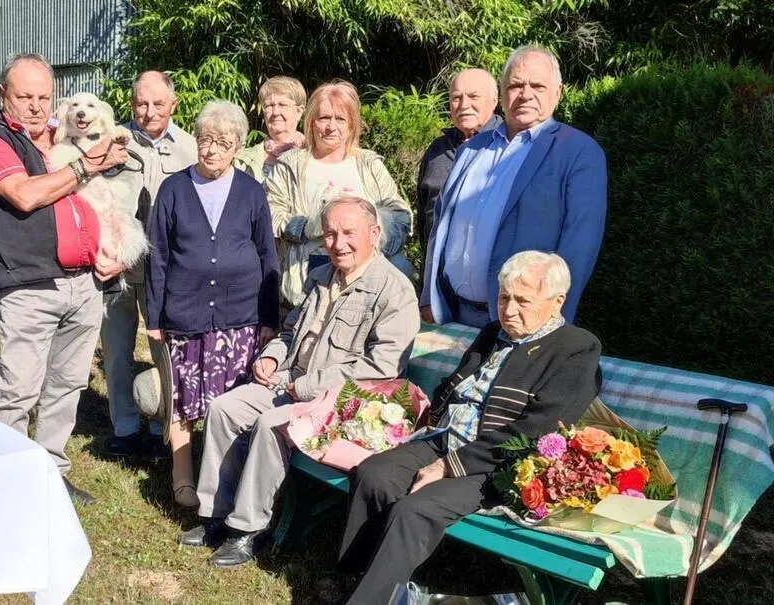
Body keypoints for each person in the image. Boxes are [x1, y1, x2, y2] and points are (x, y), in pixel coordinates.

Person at [339, 251, 603, 604]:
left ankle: (368, 600)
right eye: (504, 297)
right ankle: (362, 578)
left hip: (496, 466)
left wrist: (449, 466)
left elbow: (535, 432)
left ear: (558, 301)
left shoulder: (576, 349)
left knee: (413, 510)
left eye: (522, 301)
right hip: (443, 439)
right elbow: (456, 386)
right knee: (374, 474)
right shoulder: (494, 333)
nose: (508, 310)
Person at [179, 196, 421, 568]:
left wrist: (307, 387)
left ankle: (248, 529)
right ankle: (218, 515)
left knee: (271, 425)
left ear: (374, 234)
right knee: (224, 409)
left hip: (343, 404)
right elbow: (291, 332)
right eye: (330, 233)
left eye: (349, 233)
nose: (338, 243)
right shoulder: (321, 276)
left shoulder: (394, 291)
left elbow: (382, 368)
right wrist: (272, 356)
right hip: (291, 383)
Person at [0, 53, 129, 504]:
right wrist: (85, 165)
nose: (36, 106)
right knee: (19, 388)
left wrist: (114, 250)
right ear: (3, 95)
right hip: (31, 284)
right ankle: (7, 479)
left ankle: (51, 469)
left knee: (68, 384)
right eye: (25, 97)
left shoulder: (63, 135)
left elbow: (108, 196)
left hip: (86, 282)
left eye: (44, 97)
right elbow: (23, 195)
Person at [146, 100, 280, 509]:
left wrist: (269, 317)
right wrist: (154, 316)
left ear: (237, 147)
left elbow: (267, 255)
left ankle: (225, 477)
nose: (211, 150)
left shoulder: (251, 191)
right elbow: (158, 255)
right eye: (205, 140)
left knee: (232, 401)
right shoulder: (174, 188)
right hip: (185, 312)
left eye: (223, 142)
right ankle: (183, 477)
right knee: (183, 399)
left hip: (240, 315)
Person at [421, 46, 608, 329]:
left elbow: (579, 247)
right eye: (516, 85)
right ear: (503, 93)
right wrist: (429, 297)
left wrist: (551, 323)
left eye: (537, 86)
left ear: (558, 92)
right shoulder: (471, 149)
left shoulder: (577, 152)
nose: (525, 94)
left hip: (521, 322)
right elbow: (441, 226)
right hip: (452, 313)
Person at [102, 70, 198, 459]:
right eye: (142, 103)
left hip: (167, 271)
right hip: (117, 265)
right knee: (116, 350)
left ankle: (162, 426)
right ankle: (125, 427)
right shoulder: (113, 142)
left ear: (173, 104)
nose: (149, 111)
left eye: (158, 103)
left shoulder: (190, 148)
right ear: (132, 104)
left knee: (164, 351)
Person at [266, 80, 413, 312]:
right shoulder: (290, 165)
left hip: (366, 275)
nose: (331, 127)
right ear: (311, 122)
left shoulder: (369, 164)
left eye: (340, 119)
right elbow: (270, 213)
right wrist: (306, 227)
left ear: (352, 124)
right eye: (324, 118)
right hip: (309, 274)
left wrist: (374, 232)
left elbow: (400, 213)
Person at [416, 68, 501, 255]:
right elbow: (423, 216)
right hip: (437, 266)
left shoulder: (509, 147)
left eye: (473, 96)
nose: (464, 105)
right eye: (456, 98)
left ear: (494, 100)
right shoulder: (437, 150)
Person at [233, 76, 306, 181]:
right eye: (269, 106)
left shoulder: (315, 156)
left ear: (299, 112)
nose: (275, 112)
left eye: (282, 105)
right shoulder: (242, 160)